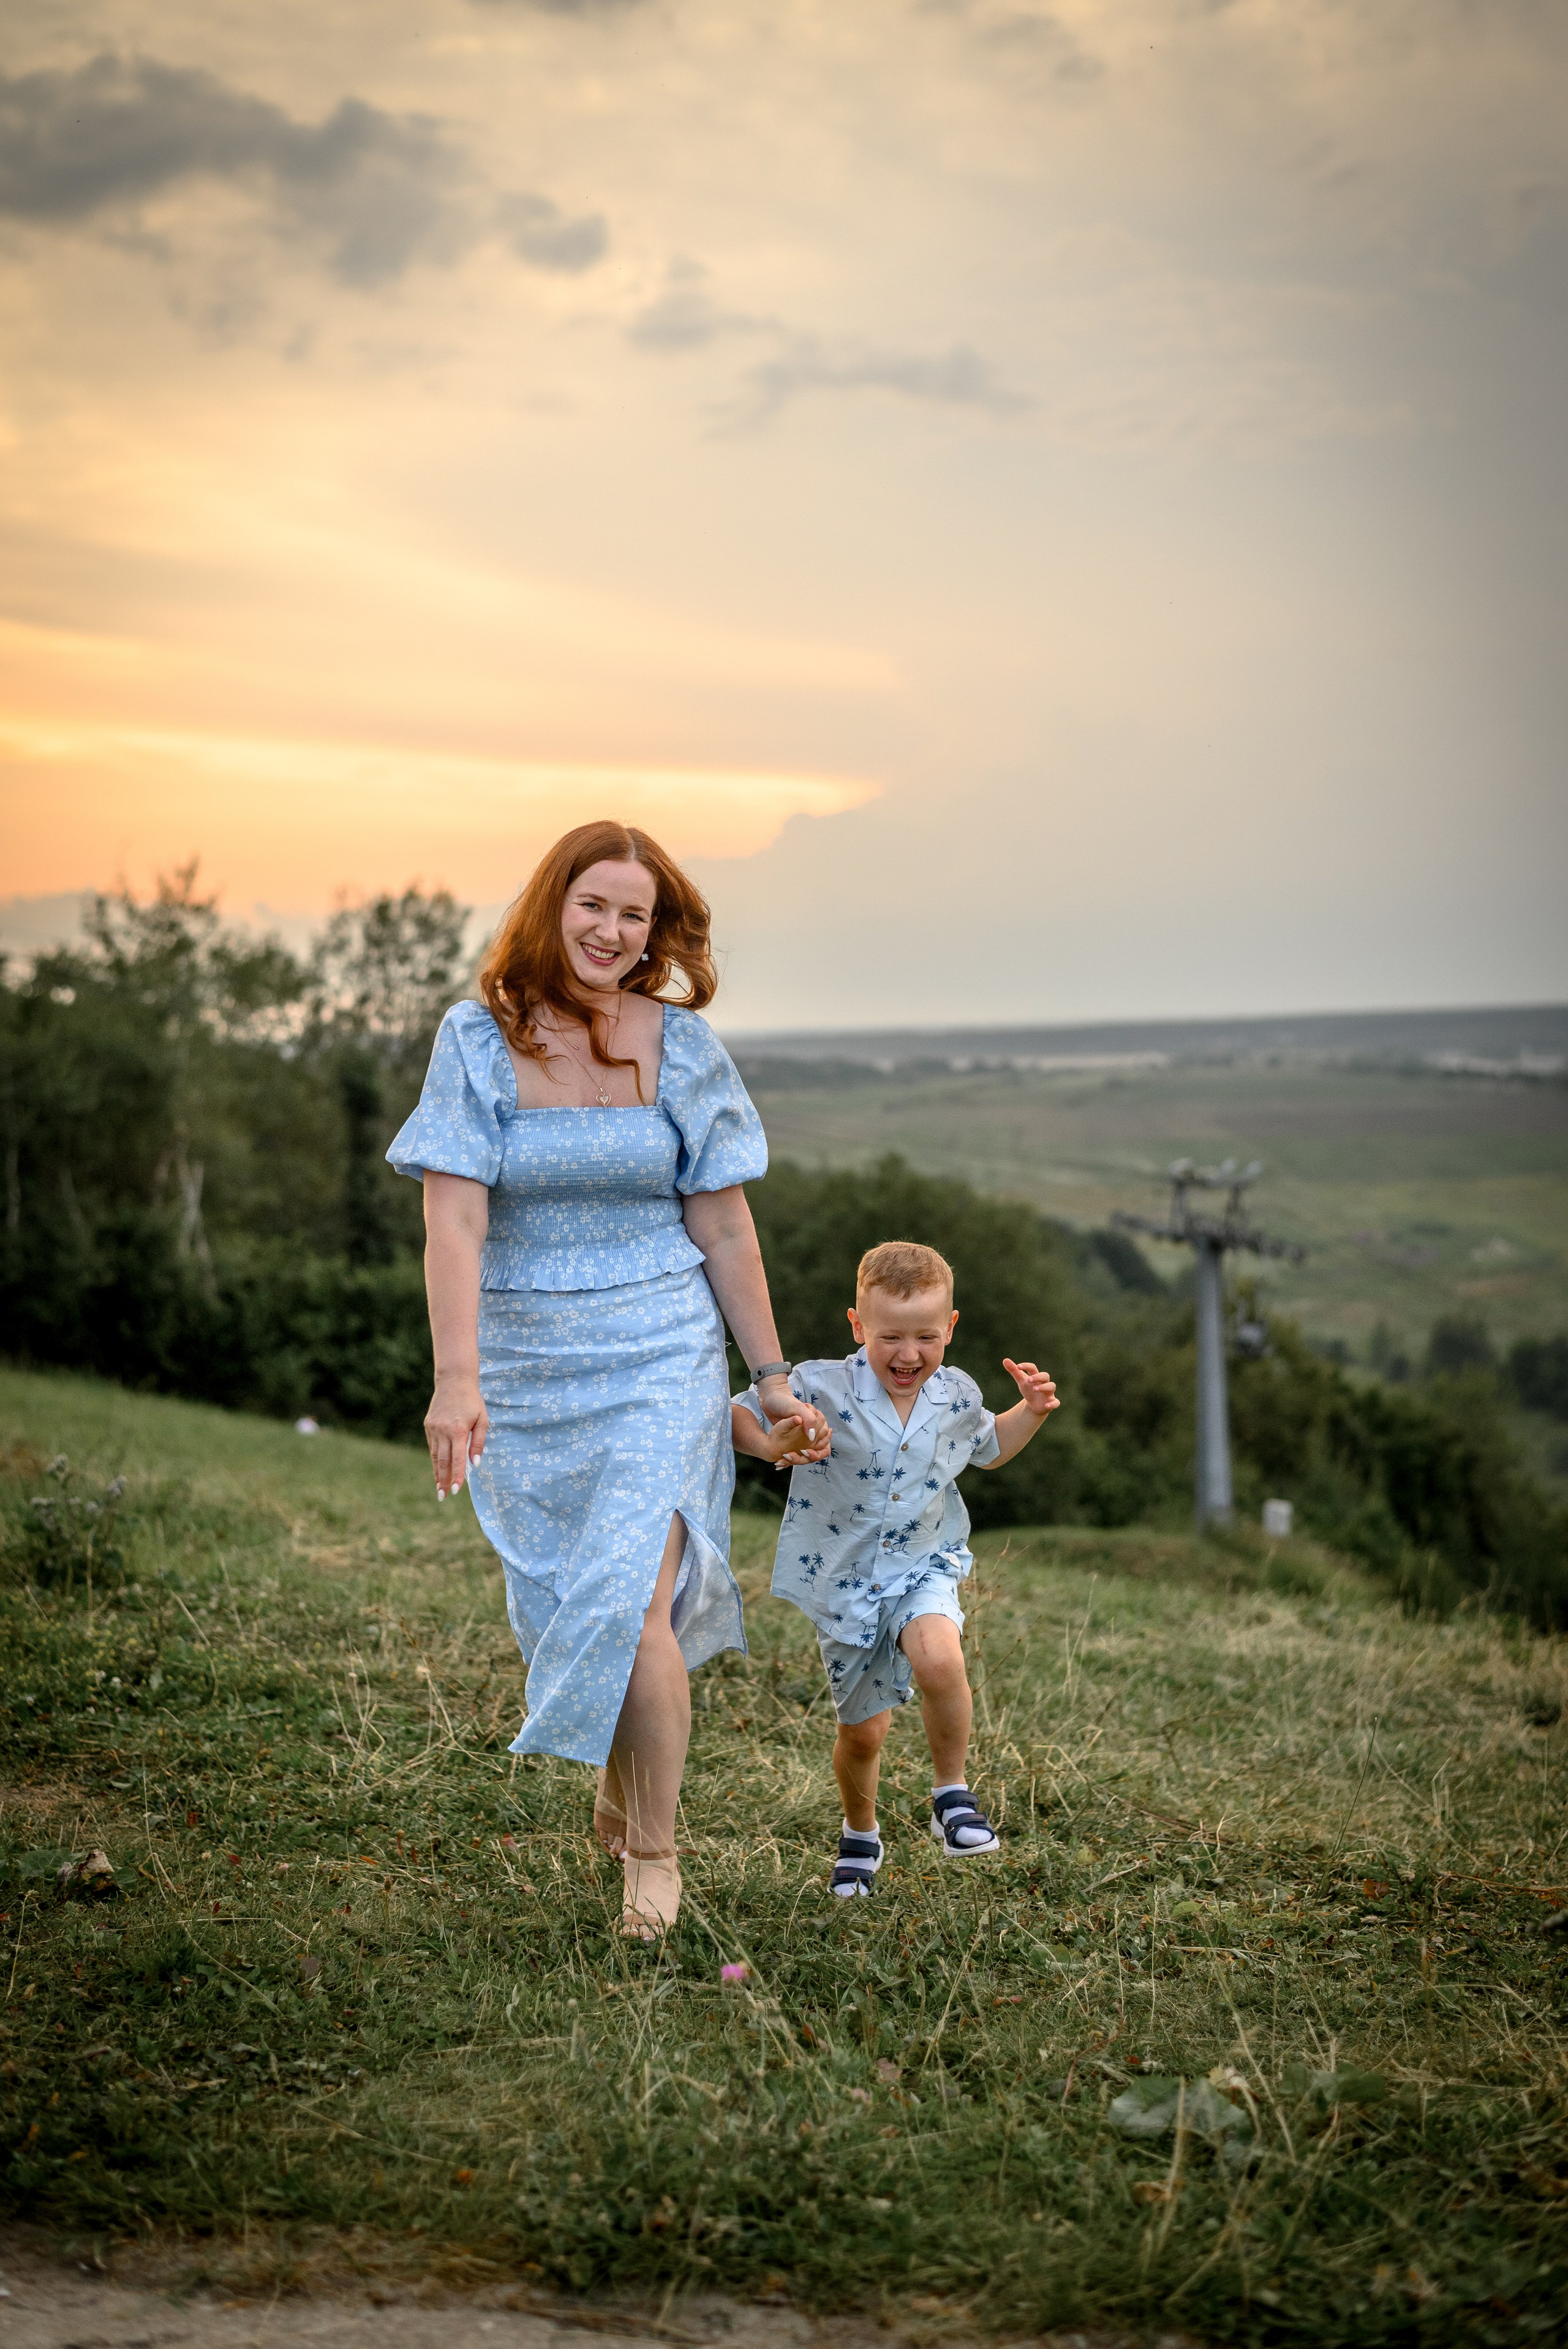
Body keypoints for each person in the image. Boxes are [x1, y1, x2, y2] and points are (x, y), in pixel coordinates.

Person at [387, 820, 824, 1939]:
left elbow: (725, 1226)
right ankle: (624, 1789)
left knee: (635, 1603)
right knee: (580, 1600)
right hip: (530, 1361)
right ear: (554, 904)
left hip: (662, 1352)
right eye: (594, 905)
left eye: (635, 916)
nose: (612, 931)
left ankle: (656, 1853)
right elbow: (454, 1220)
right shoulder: (477, 1038)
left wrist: (769, 1382)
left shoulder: (681, 1045)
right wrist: (456, 1379)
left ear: (654, 934)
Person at [733, 1240, 1058, 1897]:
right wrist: (772, 1436)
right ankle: (860, 1834)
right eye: (889, 1336)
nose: (908, 1354)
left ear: (951, 1329)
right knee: (863, 1734)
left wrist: (1032, 1411)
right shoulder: (818, 1384)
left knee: (941, 1657)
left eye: (925, 1337)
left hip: (923, 1562)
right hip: (845, 1583)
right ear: (857, 1326)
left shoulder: (956, 1392)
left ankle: (952, 1794)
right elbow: (736, 1411)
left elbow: (990, 1447)